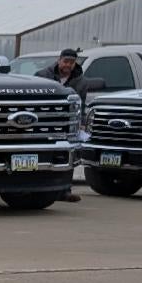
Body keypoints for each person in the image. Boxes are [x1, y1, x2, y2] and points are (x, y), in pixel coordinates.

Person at [49, 49, 84, 201]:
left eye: (71, 62)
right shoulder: (44, 75)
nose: (68, 65)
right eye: (65, 61)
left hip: (67, 123)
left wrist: (81, 123)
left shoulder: (81, 81)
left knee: (67, 154)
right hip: (48, 122)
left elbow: (81, 104)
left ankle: (65, 190)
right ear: (59, 60)